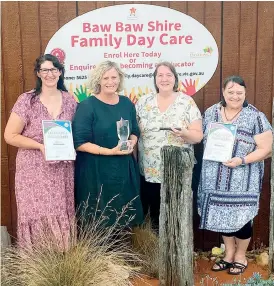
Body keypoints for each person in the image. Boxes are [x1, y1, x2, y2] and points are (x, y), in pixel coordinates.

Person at [198, 75, 273, 274]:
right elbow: (200, 137)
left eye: (239, 92)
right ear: (223, 92)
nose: (235, 95)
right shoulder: (211, 112)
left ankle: (240, 256)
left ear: (245, 93)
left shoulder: (255, 116)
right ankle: (228, 254)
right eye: (230, 91)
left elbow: (266, 148)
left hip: (243, 179)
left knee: (241, 218)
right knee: (223, 216)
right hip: (215, 177)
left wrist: (242, 160)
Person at [4, 54, 77, 248]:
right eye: (45, 70)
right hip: (33, 168)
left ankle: (63, 258)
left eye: (54, 69)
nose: (50, 74)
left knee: (60, 209)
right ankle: (37, 264)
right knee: (37, 213)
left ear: (60, 72)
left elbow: (76, 133)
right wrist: (40, 146)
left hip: (61, 169)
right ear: (38, 73)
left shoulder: (71, 101)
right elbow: (10, 135)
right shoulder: (27, 100)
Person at [72, 61, 143, 228]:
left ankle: (123, 252)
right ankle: (99, 252)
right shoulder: (87, 106)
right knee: (99, 217)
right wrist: (109, 151)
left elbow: (135, 130)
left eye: (114, 77)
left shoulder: (126, 103)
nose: (111, 81)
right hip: (96, 171)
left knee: (124, 215)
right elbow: (79, 142)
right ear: (98, 81)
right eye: (106, 78)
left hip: (123, 168)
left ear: (120, 79)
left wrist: (132, 141)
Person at [136, 61, 203, 231]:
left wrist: (184, 133)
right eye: (160, 75)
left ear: (175, 78)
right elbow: (134, 134)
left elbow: (198, 136)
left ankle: (175, 255)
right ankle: (155, 254)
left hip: (177, 171)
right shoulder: (143, 102)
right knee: (153, 217)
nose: (164, 79)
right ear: (155, 79)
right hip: (149, 173)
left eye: (168, 75)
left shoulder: (186, 102)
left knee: (176, 218)